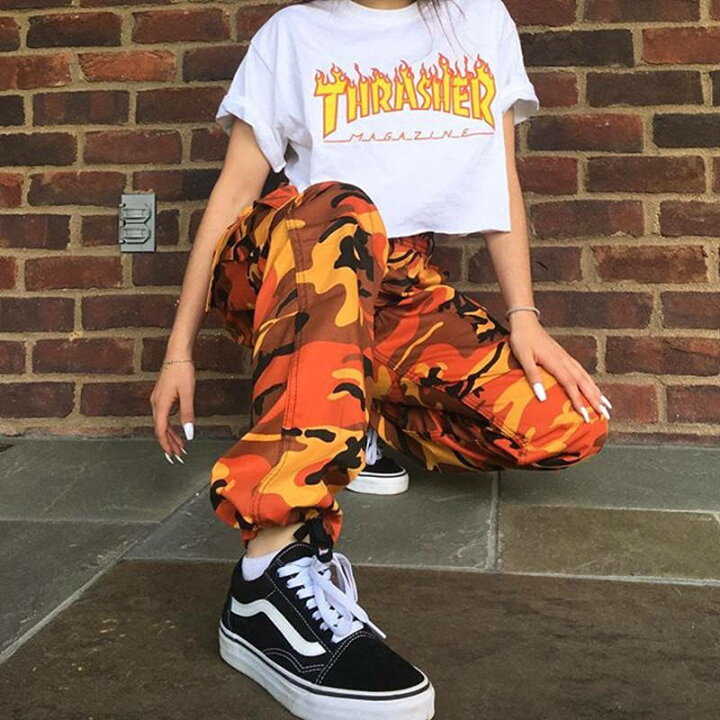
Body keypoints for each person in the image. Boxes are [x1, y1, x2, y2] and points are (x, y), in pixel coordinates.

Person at [150, 0, 611, 717]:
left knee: (562, 423)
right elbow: (231, 196)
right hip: (291, 260)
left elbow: (501, 182)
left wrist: (524, 316)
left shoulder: (480, 22)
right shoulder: (294, 33)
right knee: (342, 210)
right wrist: (178, 351)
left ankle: (353, 414)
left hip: (399, 280)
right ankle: (268, 571)